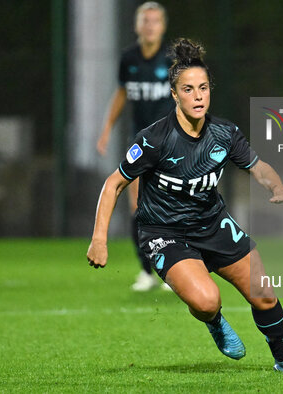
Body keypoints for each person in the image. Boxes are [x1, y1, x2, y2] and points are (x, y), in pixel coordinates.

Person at [87, 38, 283, 372]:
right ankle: (214, 321)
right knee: (207, 301)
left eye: (203, 88)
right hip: (164, 232)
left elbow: (258, 167)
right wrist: (99, 239)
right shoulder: (154, 139)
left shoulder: (224, 133)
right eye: (188, 89)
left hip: (212, 224)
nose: (197, 96)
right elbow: (114, 183)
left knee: (264, 293)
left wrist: (278, 187)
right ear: (174, 95)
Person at [97, 1, 175, 291]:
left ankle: (172, 268)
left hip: (170, 142)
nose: (150, 26)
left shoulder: (173, 59)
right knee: (138, 207)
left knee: (172, 206)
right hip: (140, 143)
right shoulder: (128, 57)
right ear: (137, 25)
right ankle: (146, 271)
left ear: (162, 26)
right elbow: (121, 93)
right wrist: (106, 129)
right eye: (145, 20)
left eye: (155, 21)